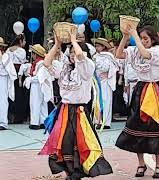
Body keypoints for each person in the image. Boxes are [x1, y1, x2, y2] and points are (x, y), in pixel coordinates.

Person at [38, 30, 112, 179]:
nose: (73, 54)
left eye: (75, 51)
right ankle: (69, 171)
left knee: (80, 142)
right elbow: (47, 63)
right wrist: (58, 44)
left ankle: (78, 171)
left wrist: (74, 41)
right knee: (63, 141)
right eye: (70, 52)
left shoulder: (87, 67)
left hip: (80, 111)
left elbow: (80, 57)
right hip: (65, 110)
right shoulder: (64, 68)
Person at [115, 25, 159, 178]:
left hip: (155, 91)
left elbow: (146, 55)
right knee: (137, 127)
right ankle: (141, 164)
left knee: (156, 128)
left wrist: (134, 33)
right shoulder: (136, 50)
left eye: (146, 38)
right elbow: (119, 54)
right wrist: (126, 37)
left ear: (153, 39)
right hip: (141, 90)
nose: (143, 41)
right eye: (141, 39)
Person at [92, 38, 118, 129]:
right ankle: (97, 120)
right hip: (97, 80)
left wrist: (108, 73)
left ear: (103, 47)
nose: (96, 47)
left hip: (105, 81)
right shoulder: (95, 56)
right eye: (96, 46)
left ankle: (106, 122)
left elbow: (110, 67)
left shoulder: (108, 56)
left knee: (106, 100)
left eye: (98, 46)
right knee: (97, 100)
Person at [6, 34, 29, 123]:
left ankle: (10, 114)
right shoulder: (21, 51)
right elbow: (23, 61)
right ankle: (18, 116)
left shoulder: (8, 49)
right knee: (19, 94)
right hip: (18, 72)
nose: (25, 43)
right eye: (24, 41)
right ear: (20, 41)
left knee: (10, 92)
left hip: (10, 72)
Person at [25, 44, 48, 130]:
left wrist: (29, 79)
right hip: (41, 85)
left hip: (37, 85)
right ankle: (43, 121)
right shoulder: (40, 63)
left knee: (35, 103)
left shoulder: (40, 63)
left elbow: (38, 77)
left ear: (36, 54)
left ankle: (34, 122)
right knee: (42, 103)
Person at [0, 37, 17, 130]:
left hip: (3, 79)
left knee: (2, 100)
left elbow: (9, 70)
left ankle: (3, 122)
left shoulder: (5, 56)